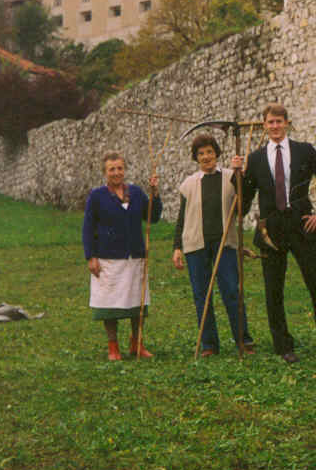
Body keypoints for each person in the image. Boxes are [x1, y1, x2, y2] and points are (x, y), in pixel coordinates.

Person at [236, 103, 316, 363]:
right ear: (264, 125)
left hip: (301, 226)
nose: (275, 126)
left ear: (287, 123)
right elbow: (244, 200)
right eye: (270, 122)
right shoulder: (256, 158)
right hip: (271, 231)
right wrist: (236, 174)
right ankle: (284, 347)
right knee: (274, 290)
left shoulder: (304, 151)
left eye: (279, 122)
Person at [172, 133, 254, 357]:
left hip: (225, 244)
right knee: (202, 295)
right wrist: (177, 247)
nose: (206, 157)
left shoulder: (229, 177)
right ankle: (209, 345)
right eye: (201, 153)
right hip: (195, 245)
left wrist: (240, 176)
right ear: (196, 157)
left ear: (216, 153)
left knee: (231, 292)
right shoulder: (189, 184)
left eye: (209, 152)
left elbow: (242, 207)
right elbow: (182, 218)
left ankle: (243, 340)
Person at [82, 151, 162, 361]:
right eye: (112, 169)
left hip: (135, 256)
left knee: (137, 301)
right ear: (105, 172)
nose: (116, 173)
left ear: (124, 170)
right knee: (110, 304)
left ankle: (137, 344)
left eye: (119, 168)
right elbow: (88, 228)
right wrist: (90, 256)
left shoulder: (135, 193)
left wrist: (155, 194)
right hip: (108, 258)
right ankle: (113, 347)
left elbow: (152, 217)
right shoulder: (97, 196)